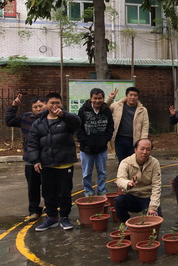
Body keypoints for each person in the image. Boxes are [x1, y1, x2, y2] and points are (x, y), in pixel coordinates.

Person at [28, 92, 81, 231]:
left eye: (57, 102)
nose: (55, 105)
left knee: (65, 192)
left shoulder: (66, 119)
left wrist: (63, 115)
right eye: (52, 103)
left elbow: (77, 122)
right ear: (46, 104)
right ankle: (51, 218)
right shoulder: (38, 122)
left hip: (64, 163)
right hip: (46, 164)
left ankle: (64, 217)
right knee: (48, 192)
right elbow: (32, 143)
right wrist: (35, 160)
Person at [4, 94, 46, 222]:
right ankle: (33, 210)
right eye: (35, 107)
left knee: (49, 186)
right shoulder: (26, 118)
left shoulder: (51, 117)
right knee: (33, 186)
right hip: (30, 159)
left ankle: (51, 208)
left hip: (47, 158)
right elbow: (9, 121)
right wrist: (14, 106)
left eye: (41, 106)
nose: (38, 109)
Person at [76, 88, 114, 196]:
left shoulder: (106, 110)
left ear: (103, 98)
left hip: (101, 148)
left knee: (102, 172)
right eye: (95, 98)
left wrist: (106, 139)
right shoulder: (83, 110)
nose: (97, 101)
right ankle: (88, 192)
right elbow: (78, 128)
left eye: (100, 98)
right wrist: (84, 142)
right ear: (91, 98)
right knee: (87, 173)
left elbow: (110, 125)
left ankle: (102, 191)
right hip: (86, 149)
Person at [114, 139, 162, 223]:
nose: (145, 152)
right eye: (142, 149)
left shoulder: (154, 163)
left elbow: (156, 186)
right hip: (132, 196)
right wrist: (128, 183)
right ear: (135, 150)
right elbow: (120, 179)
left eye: (148, 149)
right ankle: (125, 224)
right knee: (119, 201)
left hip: (147, 197)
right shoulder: (126, 162)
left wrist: (153, 207)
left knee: (157, 218)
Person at [107, 87, 149, 163]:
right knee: (122, 162)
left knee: (134, 162)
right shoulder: (117, 105)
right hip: (119, 139)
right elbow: (104, 109)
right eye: (131, 95)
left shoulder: (142, 110)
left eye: (135, 95)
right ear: (126, 95)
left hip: (134, 140)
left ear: (137, 97)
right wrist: (110, 99)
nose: (133, 97)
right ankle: (122, 175)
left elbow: (145, 125)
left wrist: (143, 139)